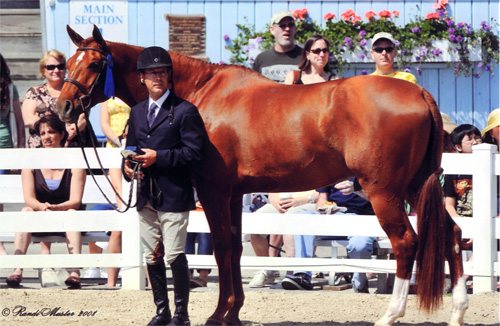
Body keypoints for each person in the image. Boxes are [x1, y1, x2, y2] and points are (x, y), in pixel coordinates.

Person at [122, 46, 206, 326]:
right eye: (151, 73)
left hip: (174, 192)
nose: (158, 77)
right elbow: (130, 147)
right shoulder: (135, 112)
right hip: (145, 194)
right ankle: (162, 311)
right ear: (141, 78)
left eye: (162, 72)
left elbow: (195, 153)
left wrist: (160, 157)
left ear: (169, 76)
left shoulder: (185, 111)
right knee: (151, 254)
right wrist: (127, 166)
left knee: (173, 253)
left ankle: (182, 313)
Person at [5, 115, 86, 288]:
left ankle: (75, 271)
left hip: (67, 215)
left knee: (72, 214)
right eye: (42, 133)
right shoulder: (31, 162)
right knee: (25, 211)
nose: (46, 137)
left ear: (62, 134)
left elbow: (75, 201)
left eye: (51, 132)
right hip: (40, 216)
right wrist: (42, 207)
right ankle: (17, 269)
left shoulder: (75, 162)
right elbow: (29, 199)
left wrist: (57, 208)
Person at [281, 180, 376, 293]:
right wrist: (325, 207)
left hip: (363, 218)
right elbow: (322, 200)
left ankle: (360, 282)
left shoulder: (367, 169)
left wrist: (357, 189)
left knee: (359, 245)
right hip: (334, 216)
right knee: (303, 219)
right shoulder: (333, 169)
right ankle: (302, 275)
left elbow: (380, 200)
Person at [85, 97, 131, 287]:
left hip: (134, 145)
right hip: (114, 149)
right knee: (121, 219)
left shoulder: (133, 91)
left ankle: (145, 278)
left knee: (125, 226)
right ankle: (111, 281)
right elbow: (104, 124)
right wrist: (119, 140)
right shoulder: (107, 98)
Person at [21, 49, 94, 149]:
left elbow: (83, 118)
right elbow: (28, 119)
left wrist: (72, 130)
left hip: (74, 147)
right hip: (42, 149)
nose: (56, 70)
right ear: (43, 70)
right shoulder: (34, 92)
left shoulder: (75, 91)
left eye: (60, 67)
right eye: (50, 67)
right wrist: (56, 129)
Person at [248, 190, 318, 288]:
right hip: (281, 202)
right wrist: (275, 202)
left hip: (308, 201)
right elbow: (273, 190)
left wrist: (304, 199)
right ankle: (266, 269)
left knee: (292, 219)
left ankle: (292, 272)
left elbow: (323, 191)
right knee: (255, 223)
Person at [0, 53, 26, 253]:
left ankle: (0, 246)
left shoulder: (9, 89)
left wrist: (20, 150)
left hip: (5, 146)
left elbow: (19, 119)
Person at [444, 124, 482, 218]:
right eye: (469, 139)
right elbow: (449, 204)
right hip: (462, 220)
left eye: (477, 138)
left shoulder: (494, 167)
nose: (475, 142)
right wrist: (460, 224)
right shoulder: (453, 171)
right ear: (458, 147)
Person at [253, 11, 303, 83]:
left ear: (295, 29)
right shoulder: (261, 59)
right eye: (282, 25)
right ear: (272, 30)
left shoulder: (305, 57)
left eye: (291, 25)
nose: (287, 29)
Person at [185, 200, 213, 288]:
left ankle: (193, 276)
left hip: (187, 206)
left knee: (189, 239)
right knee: (204, 238)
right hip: (191, 206)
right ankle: (201, 277)